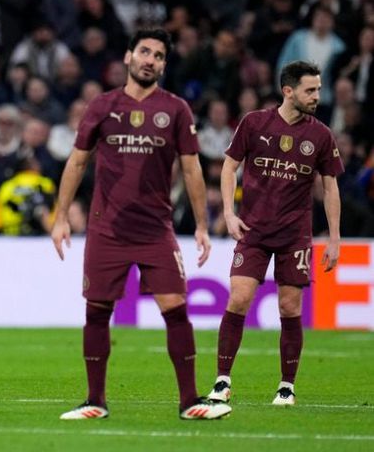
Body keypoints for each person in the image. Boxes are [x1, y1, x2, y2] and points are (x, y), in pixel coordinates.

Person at [51, 28, 231, 420]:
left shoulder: (176, 109)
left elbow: (191, 169)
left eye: (159, 56)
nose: (150, 60)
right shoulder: (102, 106)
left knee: (175, 308)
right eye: (145, 52)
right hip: (107, 229)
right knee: (97, 311)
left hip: (155, 230)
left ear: (164, 65)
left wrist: (202, 224)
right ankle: (95, 400)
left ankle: (190, 401)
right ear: (128, 56)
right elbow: (77, 161)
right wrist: (61, 216)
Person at [207, 61, 343, 406]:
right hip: (253, 230)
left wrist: (334, 238)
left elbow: (330, 188)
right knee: (239, 298)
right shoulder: (254, 123)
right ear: (288, 91)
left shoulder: (321, 135)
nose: (317, 96)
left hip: (294, 235)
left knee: (289, 306)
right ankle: (222, 381)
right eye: (310, 90)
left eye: (318, 89)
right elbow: (229, 167)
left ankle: (286, 386)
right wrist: (228, 213)